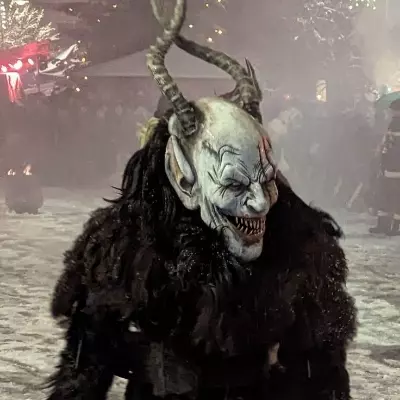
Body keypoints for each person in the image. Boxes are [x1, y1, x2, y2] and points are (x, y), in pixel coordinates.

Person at [46, 1, 357, 399]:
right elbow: (85, 364)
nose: (260, 203)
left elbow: (321, 369)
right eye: (235, 185)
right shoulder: (126, 245)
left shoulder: (299, 246)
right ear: (185, 180)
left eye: (266, 181)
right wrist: (143, 357)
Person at [369, 98, 400, 235]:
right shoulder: (393, 123)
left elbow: (389, 145)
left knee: (390, 196)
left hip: (392, 165)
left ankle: (388, 225)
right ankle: (390, 226)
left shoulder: (394, 124)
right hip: (392, 165)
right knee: (391, 196)